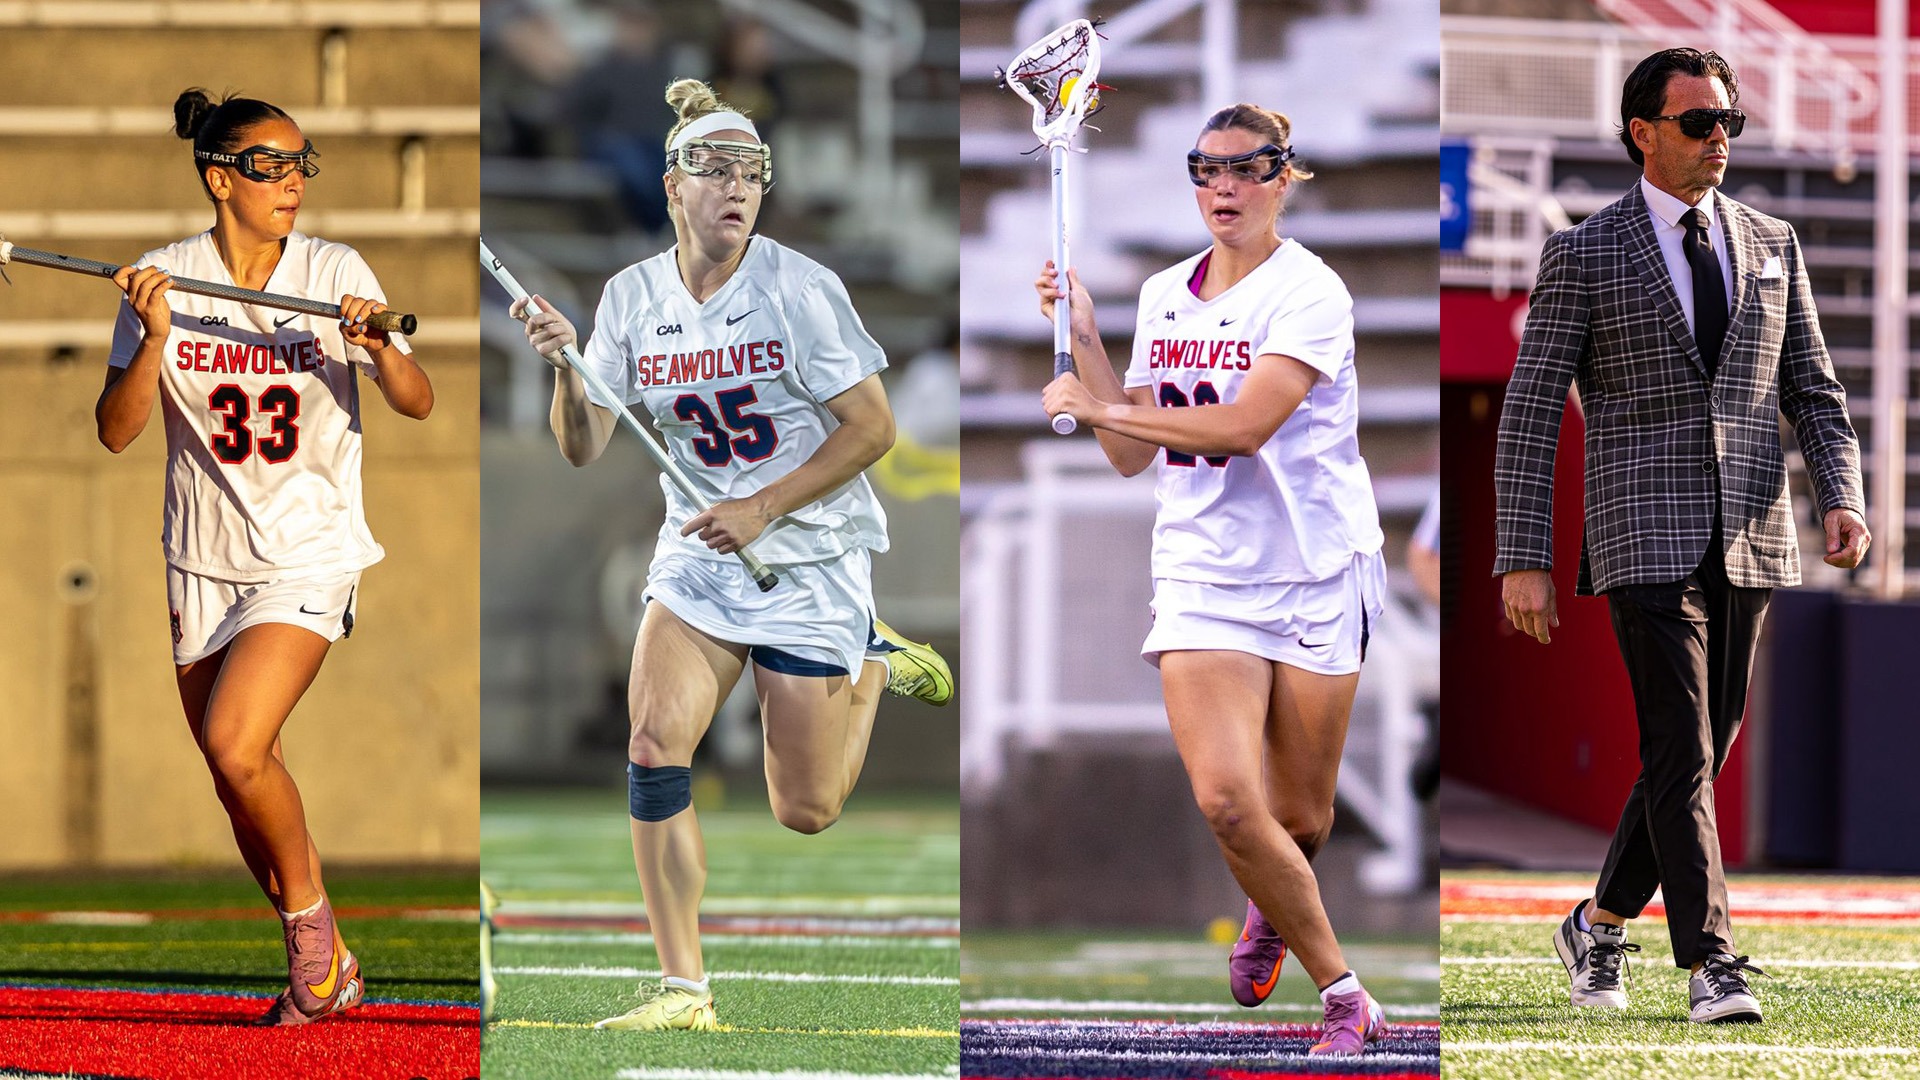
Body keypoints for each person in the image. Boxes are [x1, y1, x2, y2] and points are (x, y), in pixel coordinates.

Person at [512, 78, 951, 1032]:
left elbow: (873, 429)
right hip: (699, 557)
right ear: (674, 186)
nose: (735, 186)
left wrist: (762, 505)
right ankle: (684, 991)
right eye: (714, 170)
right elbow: (583, 446)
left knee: (808, 809)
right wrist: (564, 367)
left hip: (809, 557)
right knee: (651, 744)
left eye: (751, 171)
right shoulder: (630, 295)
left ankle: (872, 659)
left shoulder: (799, 288)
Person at [1493, 48, 1867, 1024]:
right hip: (1639, 533)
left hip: (1752, 528)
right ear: (1643, 131)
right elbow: (1531, 410)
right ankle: (1712, 964)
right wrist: (1522, 556)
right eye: (1699, 122)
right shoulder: (1582, 252)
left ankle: (1600, 923)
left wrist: (1845, 495)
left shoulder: (1774, 241)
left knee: (1699, 747)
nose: (1718, 140)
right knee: (1681, 745)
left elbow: (1814, 392)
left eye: (1728, 123)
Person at [1037, 103, 1389, 1057]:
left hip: (1317, 567)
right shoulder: (1163, 294)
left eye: (1245, 168)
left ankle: (1270, 905)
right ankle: (1346, 995)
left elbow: (1240, 428)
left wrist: (1094, 399)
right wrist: (1086, 340)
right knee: (1230, 801)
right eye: (1205, 170)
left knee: (1301, 819)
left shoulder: (1311, 292)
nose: (1223, 186)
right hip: (1204, 571)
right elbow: (1122, 451)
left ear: (1284, 177)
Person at [98, 88, 435, 1025]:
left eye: (299, 165)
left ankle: (313, 947)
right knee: (239, 774)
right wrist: (155, 341)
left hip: (309, 550)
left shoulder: (331, 268)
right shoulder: (163, 277)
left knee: (233, 743)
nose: (291, 183)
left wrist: (375, 346)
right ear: (219, 176)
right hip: (202, 557)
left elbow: (417, 400)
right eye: (268, 165)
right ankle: (328, 959)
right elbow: (116, 433)